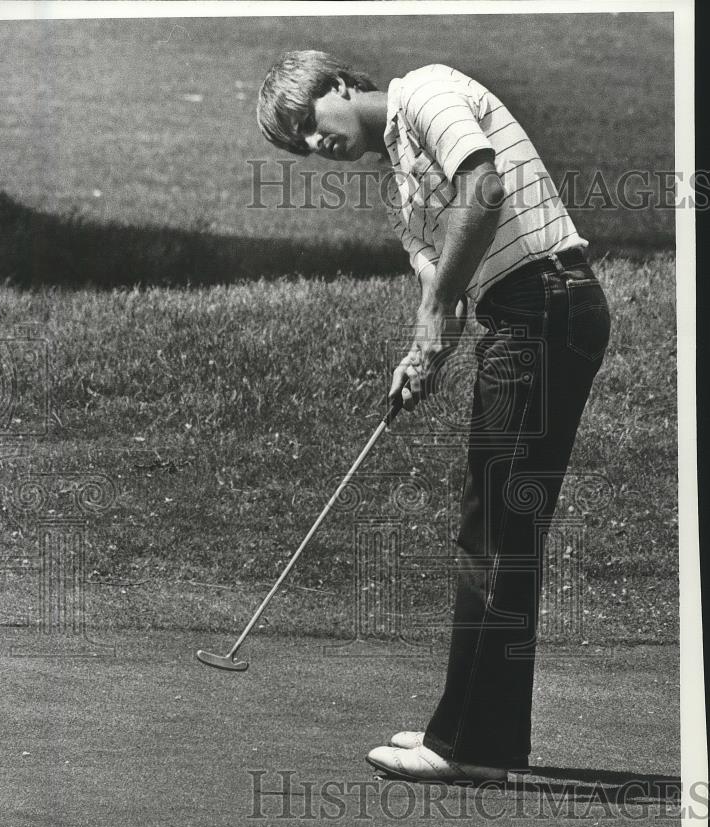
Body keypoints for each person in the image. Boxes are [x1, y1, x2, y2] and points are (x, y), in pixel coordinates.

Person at [257, 51, 610, 783]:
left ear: (340, 85)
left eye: (308, 124)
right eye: (299, 146)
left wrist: (432, 311)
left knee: (495, 535)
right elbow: (444, 298)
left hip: (545, 301)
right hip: (520, 318)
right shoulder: (403, 192)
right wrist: (423, 356)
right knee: (497, 533)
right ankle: (481, 733)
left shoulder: (427, 90)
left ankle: (470, 744)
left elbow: (483, 186)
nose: (315, 146)